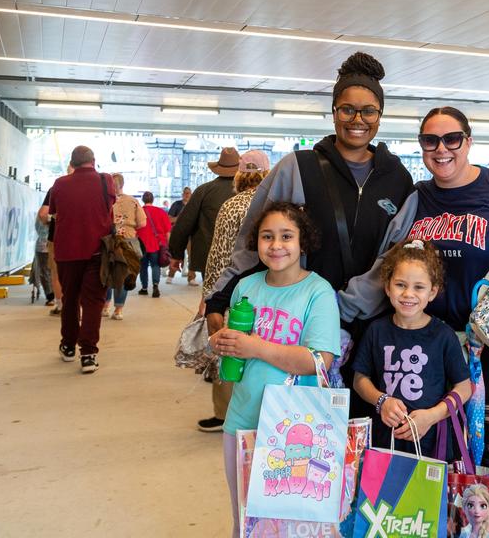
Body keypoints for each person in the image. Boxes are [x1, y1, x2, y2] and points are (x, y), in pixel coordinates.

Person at [340, 106, 489, 537]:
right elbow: (389, 264)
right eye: (430, 141)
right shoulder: (418, 198)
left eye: (451, 139)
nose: (441, 149)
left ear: (468, 141)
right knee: (436, 448)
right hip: (428, 347)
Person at [207, 53, 414, 406]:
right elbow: (253, 236)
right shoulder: (298, 168)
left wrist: (344, 305)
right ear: (334, 111)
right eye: (347, 109)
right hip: (300, 324)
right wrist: (219, 297)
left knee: (364, 428)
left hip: (372, 325)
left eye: (369, 111)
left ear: (380, 115)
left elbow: (394, 255)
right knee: (301, 429)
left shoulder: (398, 179)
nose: (357, 120)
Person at [211, 203, 341, 538]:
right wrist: (224, 343)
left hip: (296, 429)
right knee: (245, 519)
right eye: (267, 236)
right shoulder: (246, 287)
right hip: (243, 419)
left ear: (303, 242)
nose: (276, 245)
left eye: (286, 236)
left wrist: (255, 347)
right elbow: (236, 358)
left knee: (292, 524)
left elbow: (319, 360)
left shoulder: (318, 291)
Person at [352, 240, 471, 456]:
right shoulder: (376, 331)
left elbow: (464, 388)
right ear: (388, 287)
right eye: (400, 285)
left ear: (432, 292)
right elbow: (360, 380)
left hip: (430, 444)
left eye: (419, 287)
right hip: (383, 443)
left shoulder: (443, 336)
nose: (408, 294)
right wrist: (381, 401)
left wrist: (432, 415)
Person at [196, 150, 271, 433]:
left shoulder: (229, 205)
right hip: (266, 289)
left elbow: (218, 256)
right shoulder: (272, 205)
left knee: (228, 352)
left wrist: (210, 297)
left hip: (231, 291)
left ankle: (224, 414)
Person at [49, 146, 116, 374]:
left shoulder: (59, 184)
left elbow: (55, 210)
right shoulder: (105, 180)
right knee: (93, 302)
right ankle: (88, 354)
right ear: (93, 161)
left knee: (70, 300)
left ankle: (68, 346)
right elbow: (110, 205)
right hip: (97, 251)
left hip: (66, 252)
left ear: (72, 163)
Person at [169, 150, 240, 288]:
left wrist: (176, 254)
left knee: (211, 297)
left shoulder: (203, 190)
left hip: (209, 255)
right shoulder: (249, 192)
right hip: (241, 256)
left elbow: (184, 224)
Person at [104, 173, 146, 319]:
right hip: (128, 240)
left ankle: (105, 307)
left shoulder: (106, 200)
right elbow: (142, 223)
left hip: (110, 240)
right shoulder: (133, 201)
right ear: (122, 184)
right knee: (124, 274)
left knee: (108, 272)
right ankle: (118, 310)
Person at [37, 165, 73, 314]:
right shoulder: (90, 189)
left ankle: (60, 305)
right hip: (81, 237)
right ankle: (78, 305)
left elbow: (42, 214)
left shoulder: (55, 189)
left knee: (56, 272)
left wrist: (52, 219)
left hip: (56, 237)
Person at [137, 191, 172, 298]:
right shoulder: (161, 212)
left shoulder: (139, 212)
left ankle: (144, 288)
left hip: (142, 245)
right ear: (152, 200)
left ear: (143, 200)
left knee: (143, 267)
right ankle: (155, 286)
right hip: (157, 244)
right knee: (155, 265)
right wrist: (168, 245)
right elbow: (167, 231)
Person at [31, 212, 52, 302]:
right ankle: (51, 295)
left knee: (45, 272)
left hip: (44, 246)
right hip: (46, 246)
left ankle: (51, 295)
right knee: (47, 272)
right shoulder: (45, 215)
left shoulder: (41, 214)